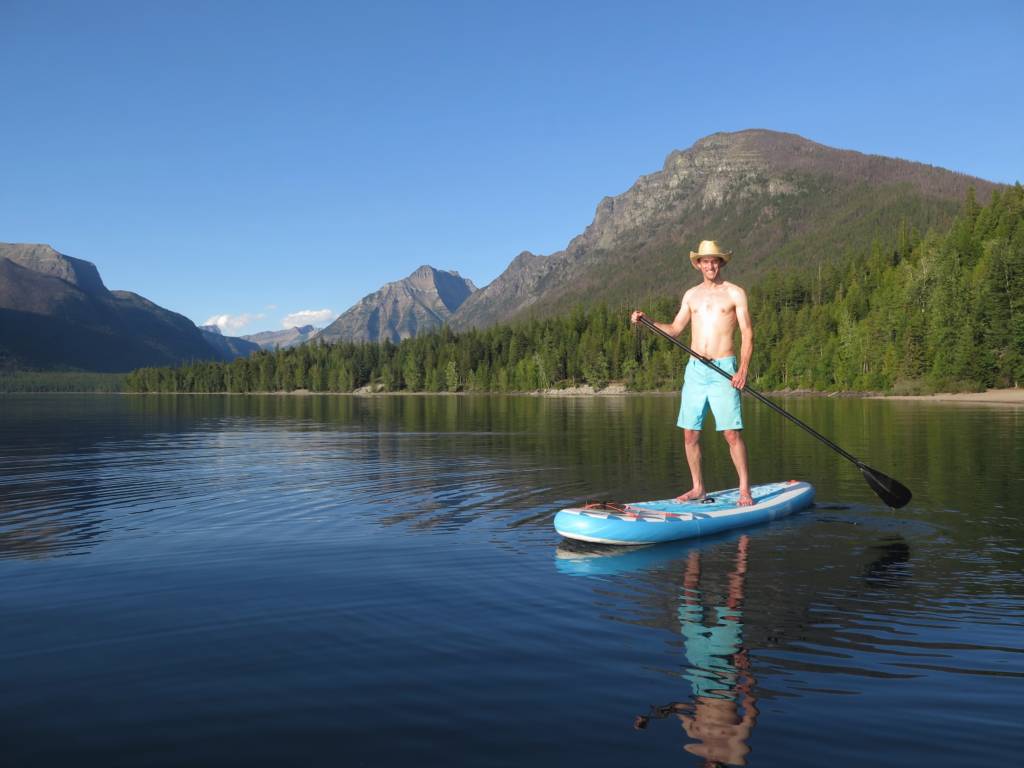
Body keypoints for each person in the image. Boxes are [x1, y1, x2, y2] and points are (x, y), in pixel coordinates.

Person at [631, 240, 754, 505]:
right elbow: (675, 329)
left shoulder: (735, 293)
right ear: (698, 264)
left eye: (714, 260)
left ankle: (745, 489)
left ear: (721, 263)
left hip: (724, 368)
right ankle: (698, 488)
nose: (710, 265)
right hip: (696, 370)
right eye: (705, 261)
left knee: (731, 433)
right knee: (690, 433)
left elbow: (747, 333)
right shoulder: (691, 295)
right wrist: (647, 321)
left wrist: (742, 368)